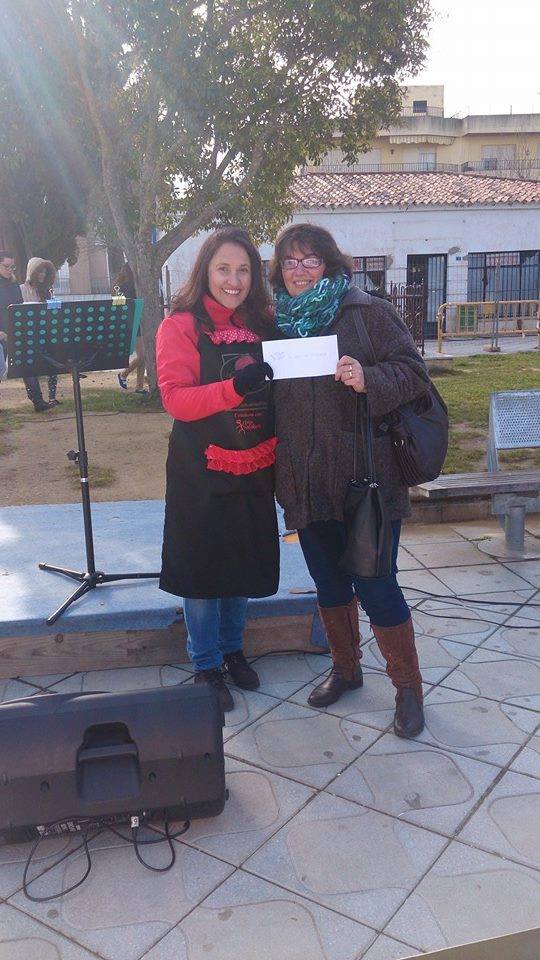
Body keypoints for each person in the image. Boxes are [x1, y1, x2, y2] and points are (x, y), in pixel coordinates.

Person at [269, 224, 431, 738]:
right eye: (289, 261)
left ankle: (407, 688)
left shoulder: (367, 312)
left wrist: (369, 378)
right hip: (305, 480)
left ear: (331, 265)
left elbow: (414, 374)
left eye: (310, 260)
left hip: (368, 481)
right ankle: (346, 669)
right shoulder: (276, 324)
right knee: (330, 584)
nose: (298, 270)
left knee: (377, 585)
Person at [156, 227, 279, 712]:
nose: (234, 280)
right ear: (205, 270)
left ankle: (232, 649)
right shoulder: (180, 326)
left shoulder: (263, 323)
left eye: (244, 270)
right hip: (200, 466)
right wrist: (234, 388)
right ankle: (205, 663)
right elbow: (177, 400)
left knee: (241, 559)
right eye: (224, 268)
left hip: (253, 459)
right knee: (203, 567)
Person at [20, 257, 59, 412]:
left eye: (45, 272)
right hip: (28, 335)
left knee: (53, 363)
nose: (42, 275)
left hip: (46, 333)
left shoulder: (46, 291)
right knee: (29, 367)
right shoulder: (21, 289)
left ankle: (52, 397)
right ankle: (37, 399)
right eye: (39, 271)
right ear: (32, 272)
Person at [114, 263, 148, 395]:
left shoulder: (119, 287)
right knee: (142, 355)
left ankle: (139, 387)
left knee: (142, 356)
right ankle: (124, 374)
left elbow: (117, 306)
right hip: (135, 322)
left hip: (129, 323)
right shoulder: (133, 286)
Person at [0, 251, 22, 398]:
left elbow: (19, 308)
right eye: (6, 266)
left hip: (14, 333)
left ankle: (38, 401)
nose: (10, 270)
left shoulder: (14, 285)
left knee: (26, 366)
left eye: (12, 267)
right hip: (1, 334)